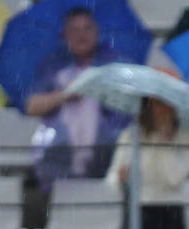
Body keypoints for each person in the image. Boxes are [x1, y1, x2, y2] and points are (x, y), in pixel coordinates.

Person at [24, 6, 129, 191]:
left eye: (87, 28)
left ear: (97, 32)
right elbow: (32, 106)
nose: (82, 35)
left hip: (104, 154)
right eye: (75, 29)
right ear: (65, 34)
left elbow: (130, 107)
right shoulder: (52, 65)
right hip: (58, 157)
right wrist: (65, 96)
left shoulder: (115, 64)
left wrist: (102, 92)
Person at [105, 98, 189, 229]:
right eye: (158, 104)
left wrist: (164, 141)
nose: (163, 110)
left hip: (170, 212)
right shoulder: (130, 135)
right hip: (138, 210)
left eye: (168, 104)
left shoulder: (185, 137)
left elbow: (175, 179)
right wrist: (121, 177)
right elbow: (113, 177)